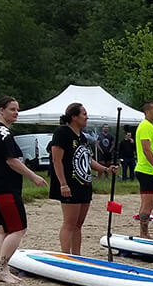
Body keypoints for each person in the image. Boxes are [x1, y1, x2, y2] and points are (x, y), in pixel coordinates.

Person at [0, 96, 48, 283]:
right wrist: (33, 176)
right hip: (3, 187)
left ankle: (2, 267)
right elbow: (12, 161)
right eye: (12, 109)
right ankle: (1, 268)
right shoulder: (3, 133)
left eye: (17, 109)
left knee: (3, 230)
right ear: (1, 110)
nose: (16, 113)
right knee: (18, 229)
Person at [49, 103, 117, 254]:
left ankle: (77, 255)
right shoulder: (62, 133)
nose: (87, 117)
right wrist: (63, 184)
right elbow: (56, 160)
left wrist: (105, 169)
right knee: (69, 223)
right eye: (84, 114)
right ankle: (66, 255)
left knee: (78, 224)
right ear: (74, 116)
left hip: (84, 183)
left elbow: (88, 159)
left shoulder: (83, 137)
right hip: (70, 183)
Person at [135, 101, 153, 238]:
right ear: (147, 112)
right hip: (146, 169)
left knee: (147, 203)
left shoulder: (150, 126)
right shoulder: (146, 126)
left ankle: (144, 232)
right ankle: (144, 233)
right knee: (148, 204)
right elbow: (146, 149)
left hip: (147, 169)